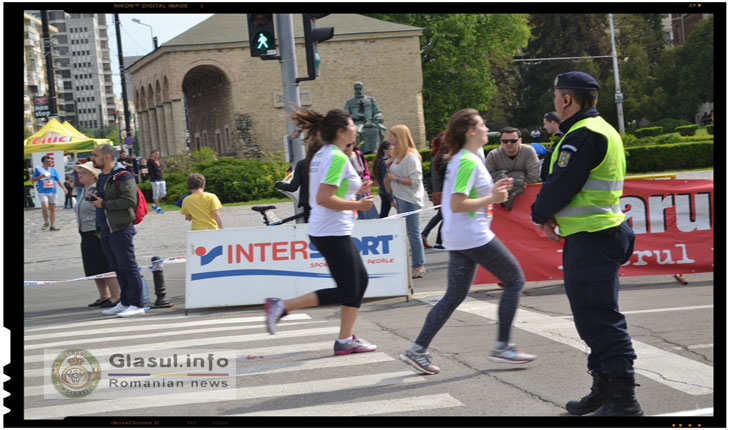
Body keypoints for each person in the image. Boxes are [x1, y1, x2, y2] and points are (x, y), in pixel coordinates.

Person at [531, 71, 641, 417]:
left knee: (599, 319)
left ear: (566, 99)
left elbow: (561, 184)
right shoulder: (601, 129)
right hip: (600, 233)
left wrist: (540, 214)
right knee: (592, 317)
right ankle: (604, 389)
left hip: (593, 237)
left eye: (556, 97)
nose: (555, 103)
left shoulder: (583, 134)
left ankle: (623, 400)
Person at [399, 108, 536, 376]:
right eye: (482, 125)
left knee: (454, 295)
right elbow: (457, 203)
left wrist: (495, 191)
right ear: (471, 131)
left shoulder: (468, 158)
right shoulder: (466, 162)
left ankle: (417, 349)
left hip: (462, 235)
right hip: (473, 235)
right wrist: (492, 199)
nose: (487, 129)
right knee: (515, 279)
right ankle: (503, 346)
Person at [264, 107, 377, 356]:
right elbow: (324, 198)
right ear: (341, 131)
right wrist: (358, 204)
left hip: (328, 230)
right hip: (331, 231)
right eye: (351, 124)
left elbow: (331, 191)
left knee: (360, 282)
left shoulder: (324, 154)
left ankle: (345, 339)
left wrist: (355, 191)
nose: (355, 128)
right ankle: (281, 305)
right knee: (349, 288)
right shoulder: (336, 157)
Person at [87, 144, 146, 318]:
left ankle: (137, 304)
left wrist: (103, 204)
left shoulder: (123, 175)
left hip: (120, 227)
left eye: (95, 155)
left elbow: (129, 200)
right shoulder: (103, 177)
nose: (92, 158)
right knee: (117, 267)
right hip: (105, 228)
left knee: (128, 265)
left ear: (106, 157)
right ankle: (125, 301)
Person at [73, 161, 121, 308]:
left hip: (96, 231)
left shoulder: (96, 190)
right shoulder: (83, 190)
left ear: (93, 175)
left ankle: (116, 296)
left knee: (105, 265)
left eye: (84, 172)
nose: (80, 175)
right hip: (85, 232)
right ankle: (103, 295)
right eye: (79, 172)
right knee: (93, 266)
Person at [384, 124, 427, 279]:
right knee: (406, 233)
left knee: (413, 233)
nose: (390, 139)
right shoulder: (397, 155)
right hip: (400, 197)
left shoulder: (410, 156)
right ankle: (413, 263)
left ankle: (419, 264)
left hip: (410, 199)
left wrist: (395, 178)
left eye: (392, 136)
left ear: (400, 137)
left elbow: (415, 181)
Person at [484, 127, 540, 211]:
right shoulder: (493, 155)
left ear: (520, 141)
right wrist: (519, 180)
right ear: (500, 142)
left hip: (527, 201)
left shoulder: (529, 151)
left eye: (513, 141)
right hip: (499, 205)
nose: (509, 143)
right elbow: (487, 179)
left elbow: (533, 177)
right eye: (505, 141)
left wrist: (501, 178)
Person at [421, 131, 448, 249]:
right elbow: (436, 176)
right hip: (444, 190)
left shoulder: (436, 153)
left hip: (442, 190)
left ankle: (426, 235)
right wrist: (438, 191)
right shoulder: (442, 155)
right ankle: (438, 241)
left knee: (442, 215)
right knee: (445, 216)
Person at [344, 81, 385, 155]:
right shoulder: (349, 102)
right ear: (354, 89)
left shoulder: (370, 100)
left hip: (369, 123)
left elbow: (377, 112)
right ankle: (359, 153)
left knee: (375, 130)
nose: (358, 90)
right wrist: (354, 116)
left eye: (360, 88)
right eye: (356, 89)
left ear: (362, 89)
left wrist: (377, 117)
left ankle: (375, 152)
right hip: (357, 124)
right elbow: (345, 115)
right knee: (358, 133)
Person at [31, 155, 67, 231]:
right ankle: (46, 222)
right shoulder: (38, 170)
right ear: (43, 162)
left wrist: (63, 188)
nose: (50, 163)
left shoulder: (53, 170)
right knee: (45, 207)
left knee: (52, 209)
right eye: (48, 161)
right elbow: (33, 179)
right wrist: (41, 176)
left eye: (50, 161)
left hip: (53, 191)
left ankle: (53, 225)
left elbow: (58, 180)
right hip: (42, 191)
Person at [344, 142, 379, 220]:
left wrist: (367, 182)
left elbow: (366, 173)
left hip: (362, 191)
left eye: (348, 145)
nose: (345, 148)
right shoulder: (339, 158)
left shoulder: (359, 154)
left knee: (369, 219)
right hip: (350, 193)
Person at [274, 158, 311, 223]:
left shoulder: (302, 163)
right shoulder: (328, 162)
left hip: (308, 204)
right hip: (325, 204)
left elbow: (292, 187)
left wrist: (277, 184)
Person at [371, 140, 395, 218]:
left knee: (383, 214)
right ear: (385, 151)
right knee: (384, 215)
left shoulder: (379, 161)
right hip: (386, 192)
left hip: (382, 191)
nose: (393, 151)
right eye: (391, 149)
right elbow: (385, 181)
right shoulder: (384, 163)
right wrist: (391, 198)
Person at [541, 111, 564, 182]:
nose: (544, 127)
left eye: (545, 124)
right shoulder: (560, 138)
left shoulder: (564, 139)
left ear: (553, 122)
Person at [147, 149, 165, 214]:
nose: (158, 155)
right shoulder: (150, 161)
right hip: (154, 180)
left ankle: (154, 205)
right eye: (156, 154)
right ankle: (158, 208)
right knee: (156, 193)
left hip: (160, 178)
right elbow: (150, 171)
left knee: (163, 193)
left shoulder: (159, 161)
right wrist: (152, 179)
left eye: (158, 154)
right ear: (153, 154)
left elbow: (160, 169)